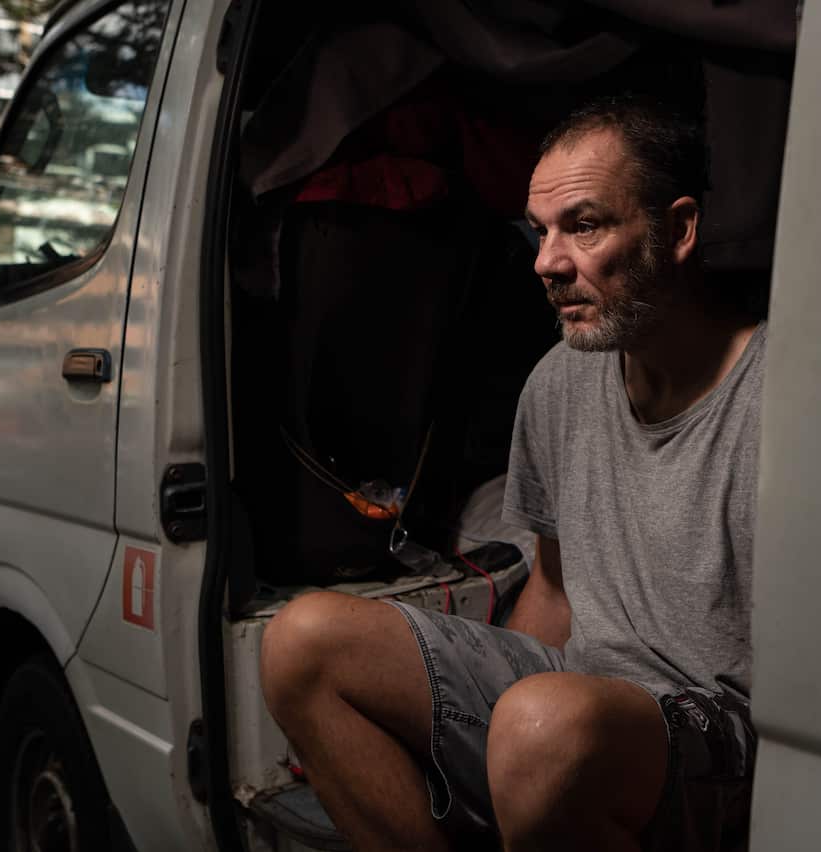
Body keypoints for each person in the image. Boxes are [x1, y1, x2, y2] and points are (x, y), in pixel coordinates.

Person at [259, 93, 765, 852]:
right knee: (301, 640)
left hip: (722, 731)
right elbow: (556, 588)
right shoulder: (560, 380)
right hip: (578, 694)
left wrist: (538, 733)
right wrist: (496, 726)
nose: (546, 262)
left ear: (680, 229)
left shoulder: (779, 394)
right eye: (539, 232)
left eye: (584, 226)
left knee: (542, 728)